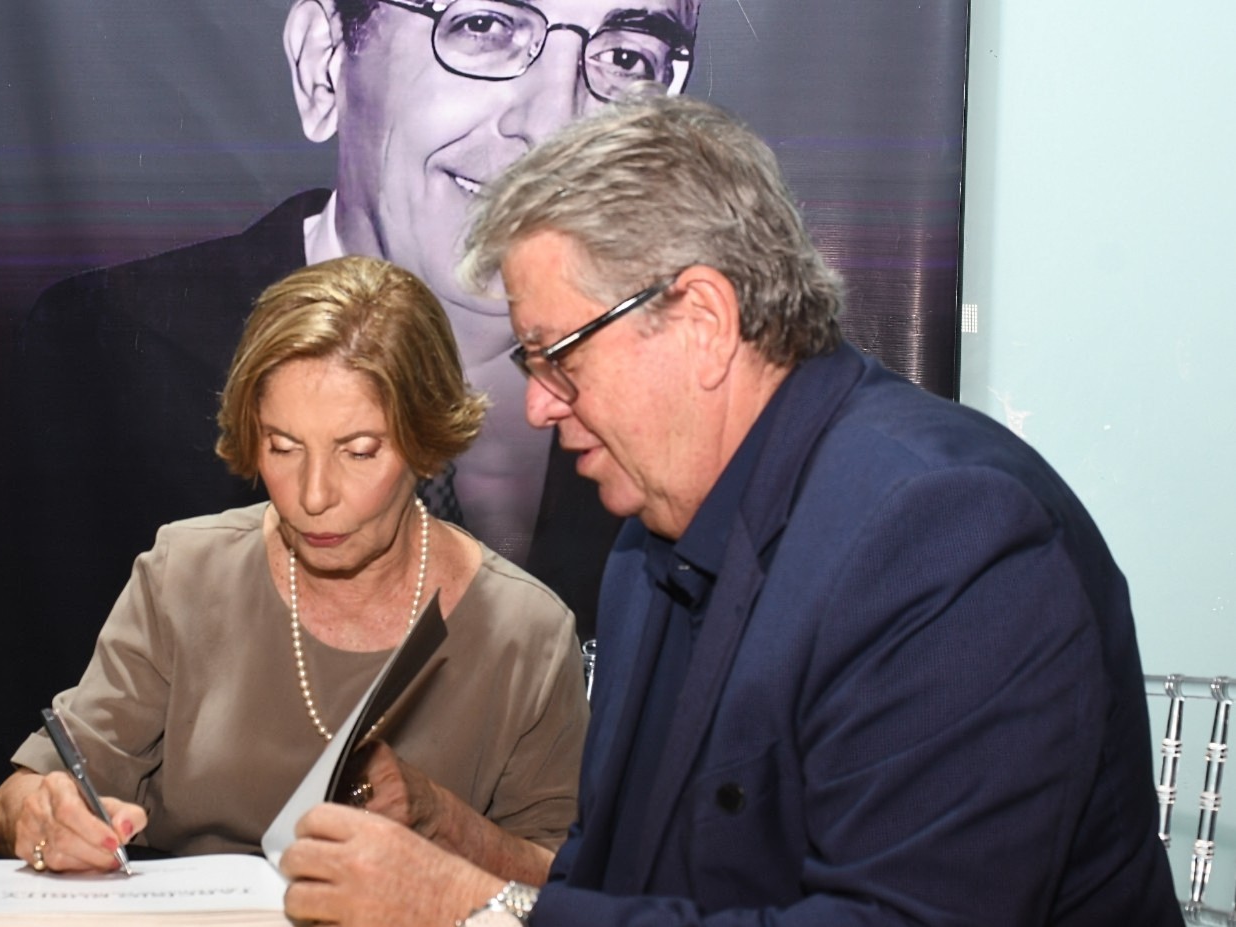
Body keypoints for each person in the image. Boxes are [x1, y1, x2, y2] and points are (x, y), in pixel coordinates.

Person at [276, 95, 1184, 925]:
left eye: (559, 355)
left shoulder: (948, 535)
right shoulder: (648, 548)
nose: (541, 405)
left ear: (703, 320)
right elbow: (619, 890)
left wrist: (464, 911)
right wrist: (455, 840)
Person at [17, 0, 701, 648]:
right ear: (324, 63)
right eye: (484, 24)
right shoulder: (101, 355)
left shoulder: (694, 402)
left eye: (627, 58)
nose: (553, 127)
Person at [0, 256, 587, 879]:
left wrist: (444, 822)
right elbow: (26, 795)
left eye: (359, 451)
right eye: (282, 446)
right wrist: (42, 818)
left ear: (426, 441)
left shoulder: (526, 631)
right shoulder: (186, 575)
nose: (313, 495)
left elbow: (562, 877)